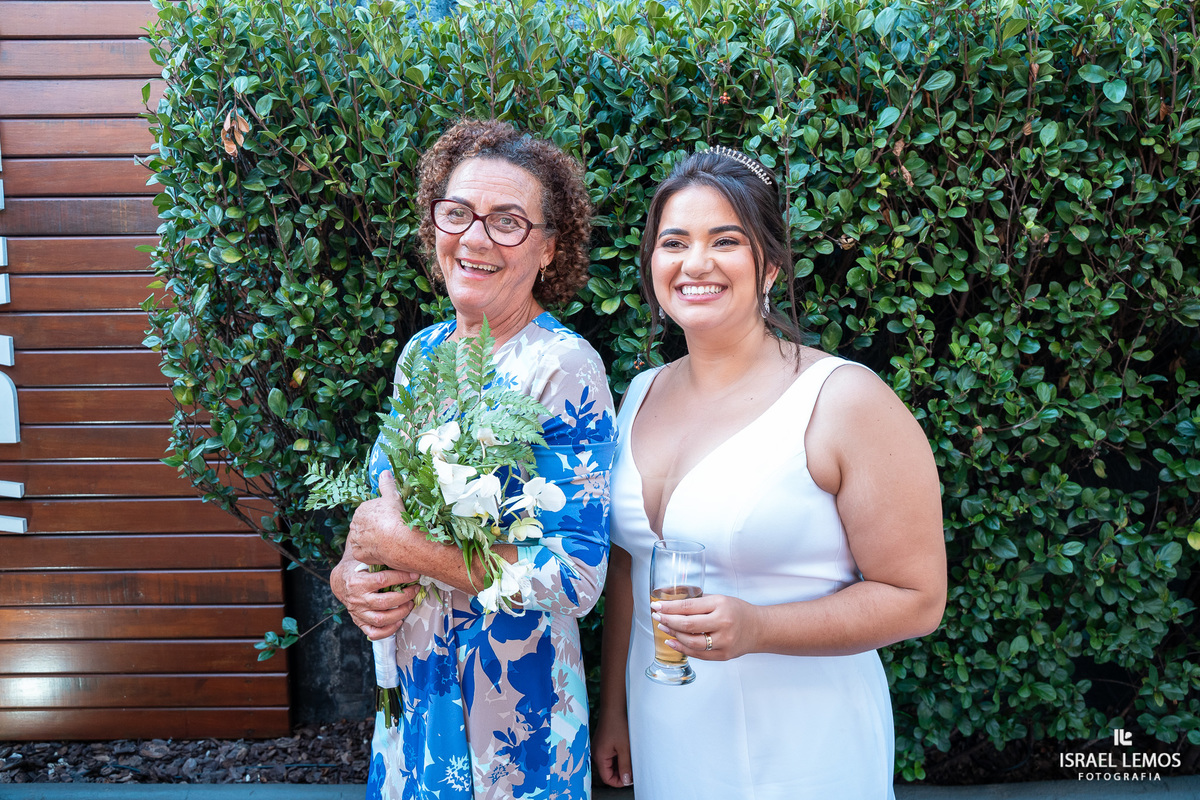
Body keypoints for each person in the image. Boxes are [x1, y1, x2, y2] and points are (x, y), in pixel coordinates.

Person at [593, 148, 947, 799]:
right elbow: (627, 566)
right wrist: (612, 707)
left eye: (725, 241)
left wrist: (759, 628)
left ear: (771, 265)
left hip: (809, 750)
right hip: (667, 731)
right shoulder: (639, 393)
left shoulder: (843, 400)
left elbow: (918, 599)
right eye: (675, 242)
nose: (695, 263)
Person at [330, 118, 616, 799]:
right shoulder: (421, 355)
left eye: (508, 221)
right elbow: (379, 509)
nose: (475, 237)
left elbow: (575, 576)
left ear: (550, 247)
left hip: (513, 723)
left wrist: (414, 551)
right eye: (456, 213)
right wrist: (350, 579)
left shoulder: (563, 367)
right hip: (414, 704)